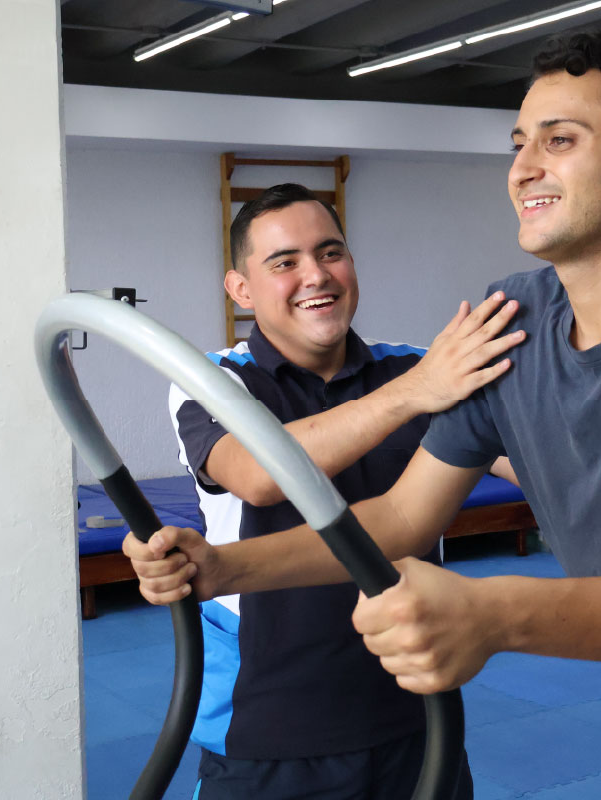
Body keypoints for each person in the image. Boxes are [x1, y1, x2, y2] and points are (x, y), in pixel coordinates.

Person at [129, 33, 601, 800]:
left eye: (559, 140)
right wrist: (226, 568)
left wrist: (493, 611)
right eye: (519, 144)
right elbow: (401, 516)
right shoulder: (514, 319)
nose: (522, 168)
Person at [161, 182, 523, 799]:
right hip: (267, 727)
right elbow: (260, 475)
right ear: (241, 289)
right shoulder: (214, 380)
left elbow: (533, 465)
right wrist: (415, 394)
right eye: (285, 262)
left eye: (331, 253)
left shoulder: (413, 367)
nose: (316, 275)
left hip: (417, 714)